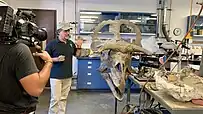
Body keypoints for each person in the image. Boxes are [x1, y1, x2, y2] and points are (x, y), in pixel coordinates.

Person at [46, 22, 83, 114]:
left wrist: (79, 47)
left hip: (67, 76)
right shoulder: (52, 44)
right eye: (65, 31)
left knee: (63, 98)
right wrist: (56, 59)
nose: (68, 33)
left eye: (68, 31)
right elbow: (45, 58)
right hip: (55, 76)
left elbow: (77, 55)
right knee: (55, 99)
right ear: (59, 32)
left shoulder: (70, 44)